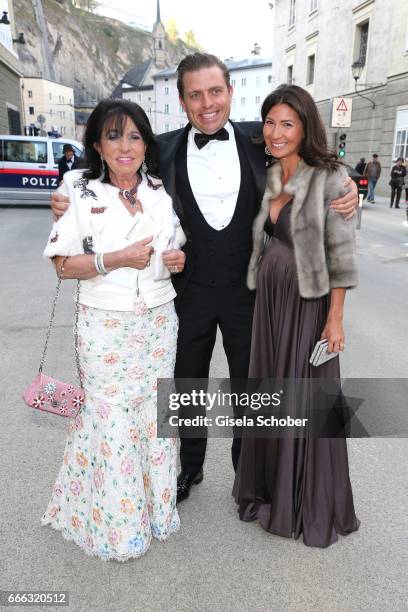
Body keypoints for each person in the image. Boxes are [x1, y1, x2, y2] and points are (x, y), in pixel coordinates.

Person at [50, 53, 358, 505]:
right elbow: (113, 163)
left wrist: (349, 189)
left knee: (251, 388)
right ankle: (186, 469)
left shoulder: (262, 138)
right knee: (184, 385)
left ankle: (248, 474)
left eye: (215, 92)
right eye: (195, 94)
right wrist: (65, 192)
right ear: (182, 100)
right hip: (185, 292)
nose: (207, 103)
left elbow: (313, 165)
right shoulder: (166, 148)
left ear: (231, 93)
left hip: (252, 292)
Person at [41, 99, 186, 561]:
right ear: (98, 145)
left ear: (147, 144)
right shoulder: (77, 189)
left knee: (153, 416)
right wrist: (114, 259)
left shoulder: (158, 191)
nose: (126, 147)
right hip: (105, 324)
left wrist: (175, 258)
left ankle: (156, 512)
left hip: (159, 320)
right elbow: (64, 266)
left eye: (135, 136)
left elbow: (173, 242)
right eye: (114, 136)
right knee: (112, 417)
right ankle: (118, 527)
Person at [234, 84, 360, 548]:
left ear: (306, 127)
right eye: (269, 122)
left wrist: (336, 318)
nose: (275, 131)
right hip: (271, 305)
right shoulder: (271, 173)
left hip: (308, 307)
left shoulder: (329, 177)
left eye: (287, 123)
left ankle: (307, 502)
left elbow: (342, 255)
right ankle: (272, 489)